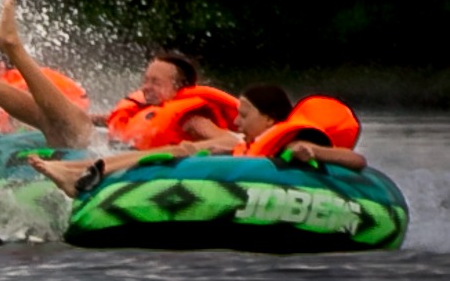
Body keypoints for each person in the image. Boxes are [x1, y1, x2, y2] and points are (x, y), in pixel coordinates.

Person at [0, 0, 236, 151]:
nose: (146, 87)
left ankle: (11, 48)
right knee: (46, 116)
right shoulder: (141, 110)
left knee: (74, 127)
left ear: (179, 88)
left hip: (104, 161)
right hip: (96, 152)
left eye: (156, 82)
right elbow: (107, 122)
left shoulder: (192, 118)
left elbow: (227, 141)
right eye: (145, 80)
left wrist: (180, 151)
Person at [28, 83, 368, 198]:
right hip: (230, 171)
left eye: (245, 114)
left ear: (269, 119)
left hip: (270, 186)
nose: (237, 120)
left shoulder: (288, 143)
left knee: (181, 151)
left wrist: (315, 151)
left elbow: (357, 161)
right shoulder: (245, 142)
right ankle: (81, 170)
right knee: (179, 151)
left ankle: (80, 172)